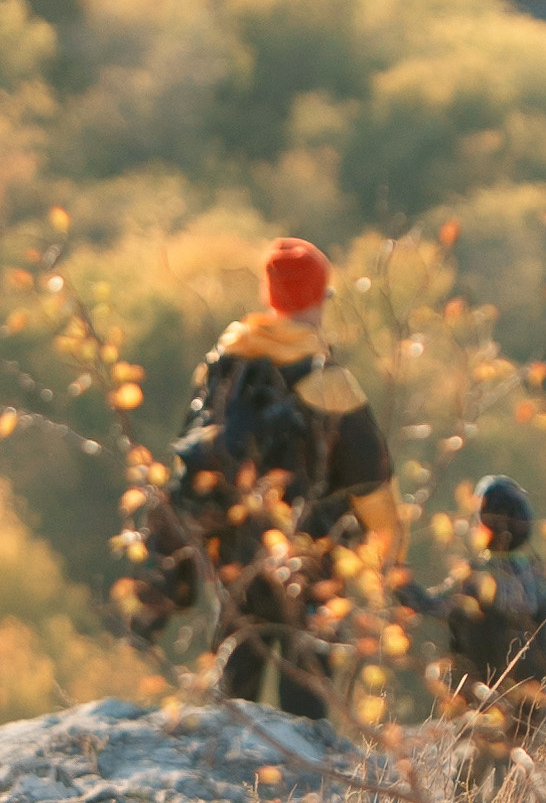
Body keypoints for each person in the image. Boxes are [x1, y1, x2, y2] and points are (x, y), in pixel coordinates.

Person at [124, 236, 401, 720]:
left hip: (236, 562)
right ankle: (302, 794)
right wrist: (385, 572)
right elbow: (376, 497)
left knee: (232, 703)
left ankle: (227, 787)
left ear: (269, 296)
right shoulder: (331, 384)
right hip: (309, 570)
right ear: (319, 299)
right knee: (307, 708)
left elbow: (191, 461)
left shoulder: (224, 366)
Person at [402, 474, 546, 771]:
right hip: (532, 704)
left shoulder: (476, 577)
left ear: (487, 525)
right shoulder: (544, 580)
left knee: (468, 786)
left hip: (482, 699)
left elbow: (431, 606)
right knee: (519, 783)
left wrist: (397, 579)